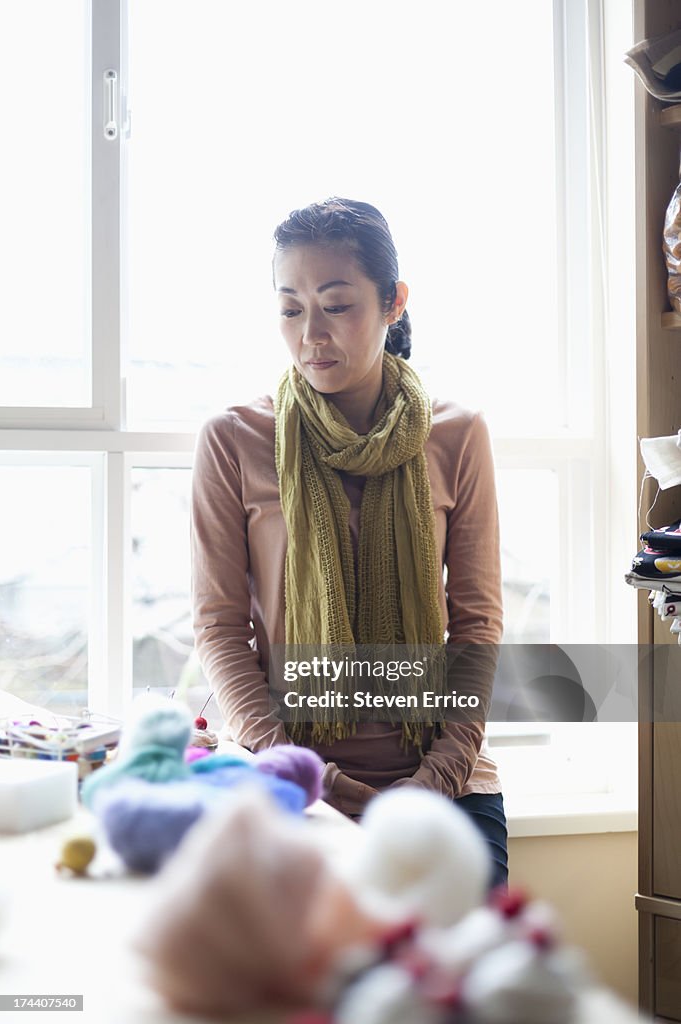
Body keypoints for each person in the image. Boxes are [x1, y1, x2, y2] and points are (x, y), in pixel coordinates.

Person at [190, 197, 508, 887]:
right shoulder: (234, 439)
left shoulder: (456, 435)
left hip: (445, 779)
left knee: (463, 977)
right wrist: (307, 775)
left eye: (336, 306)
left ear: (392, 302)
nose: (311, 335)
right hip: (291, 781)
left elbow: (477, 626)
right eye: (290, 308)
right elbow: (219, 629)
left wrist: (435, 779)